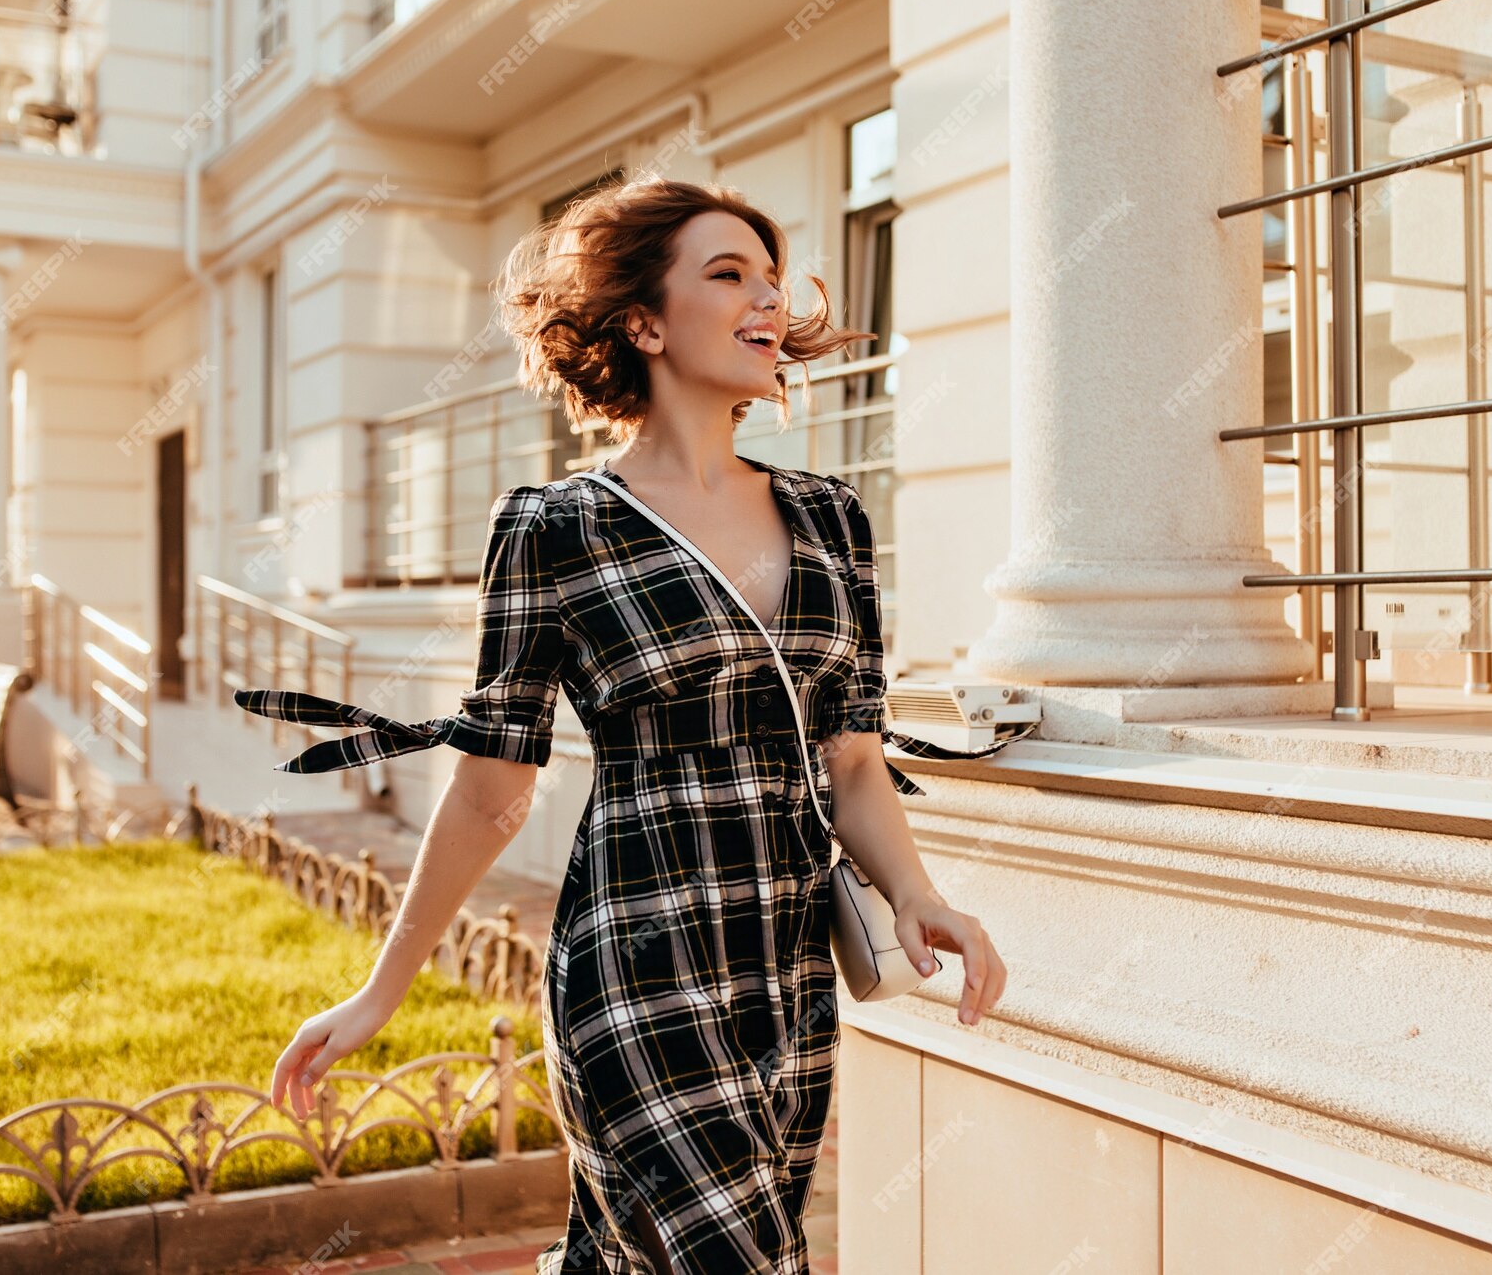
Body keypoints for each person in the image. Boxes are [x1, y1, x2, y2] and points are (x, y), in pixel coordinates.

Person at [235, 176, 1019, 1273]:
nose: (766, 298)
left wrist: (921, 897)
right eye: (726, 273)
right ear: (643, 322)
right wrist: (383, 986)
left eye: (768, 274)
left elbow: (848, 762)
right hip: (635, 963)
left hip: (780, 975)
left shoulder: (832, 518)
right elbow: (489, 787)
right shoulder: (555, 527)